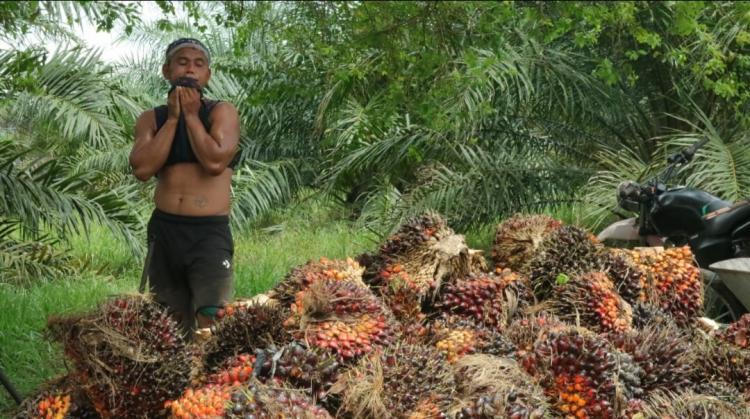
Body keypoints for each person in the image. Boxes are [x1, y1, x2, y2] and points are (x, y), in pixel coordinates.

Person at [129, 38, 241, 337]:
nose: (190, 69)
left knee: (212, 319)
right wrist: (175, 118)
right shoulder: (152, 118)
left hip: (208, 233)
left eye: (198, 64)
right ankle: (177, 382)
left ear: (208, 75)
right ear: (166, 70)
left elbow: (215, 162)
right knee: (167, 324)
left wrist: (191, 116)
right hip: (165, 232)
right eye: (182, 62)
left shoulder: (222, 113)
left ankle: (211, 384)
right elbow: (142, 168)